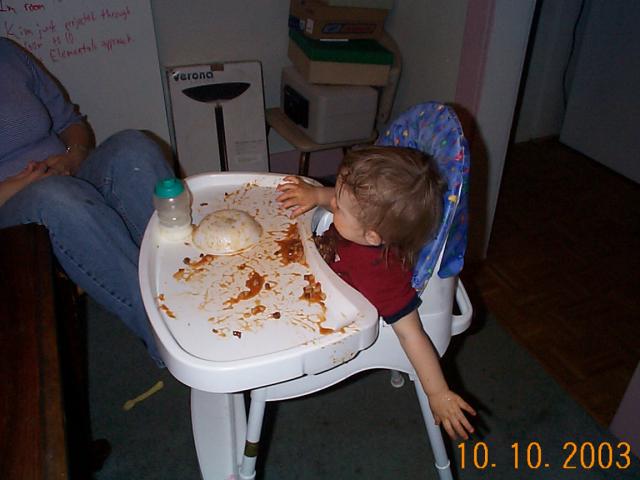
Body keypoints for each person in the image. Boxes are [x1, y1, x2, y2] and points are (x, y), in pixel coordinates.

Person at [276, 145, 476, 440]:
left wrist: (437, 392)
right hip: (320, 271)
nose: (332, 202)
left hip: (336, 318)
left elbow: (412, 335)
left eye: (338, 207)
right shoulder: (360, 221)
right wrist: (316, 195)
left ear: (372, 236)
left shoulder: (381, 276)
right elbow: (339, 200)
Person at [0, 37, 173, 367]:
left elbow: (70, 124)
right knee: (57, 198)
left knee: (133, 147)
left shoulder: (7, 53)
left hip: (63, 175)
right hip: (13, 208)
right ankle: (169, 339)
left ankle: (186, 285)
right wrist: (18, 185)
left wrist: (73, 157)